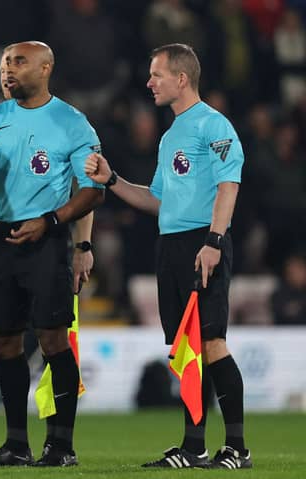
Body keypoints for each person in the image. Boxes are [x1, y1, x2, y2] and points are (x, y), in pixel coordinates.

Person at [85, 43, 252, 469]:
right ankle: (194, 448)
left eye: (156, 74)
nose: (149, 82)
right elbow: (157, 199)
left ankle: (236, 448)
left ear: (181, 78)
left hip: (203, 242)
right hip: (172, 245)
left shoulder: (213, 125)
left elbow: (228, 185)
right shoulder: (170, 134)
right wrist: (113, 180)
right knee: (186, 350)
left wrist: (214, 242)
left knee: (212, 341)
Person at [0, 41, 104, 467]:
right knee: (4, 342)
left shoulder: (72, 123)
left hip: (47, 239)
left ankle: (61, 446)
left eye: (18, 62)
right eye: (5, 62)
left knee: (52, 339)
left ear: (45, 68)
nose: (7, 70)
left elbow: (93, 190)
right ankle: (16, 445)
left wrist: (56, 225)